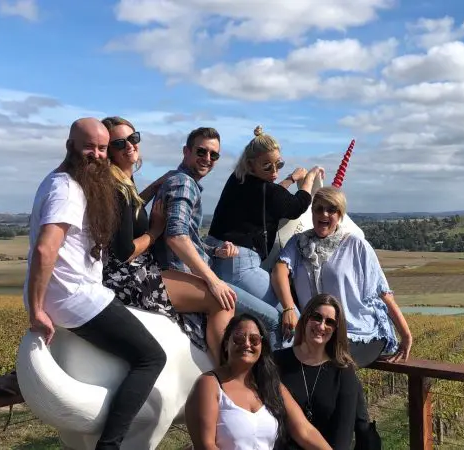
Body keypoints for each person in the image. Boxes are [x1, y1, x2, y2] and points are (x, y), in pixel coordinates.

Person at [23, 117, 167, 450]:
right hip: (75, 297)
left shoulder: (61, 180)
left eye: (103, 148)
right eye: (90, 147)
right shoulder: (68, 190)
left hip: (73, 292)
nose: (98, 155)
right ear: (70, 145)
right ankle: (110, 445)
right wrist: (36, 310)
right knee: (151, 358)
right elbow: (45, 249)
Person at [271, 186, 413, 448]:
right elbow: (280, 270)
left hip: (362, 332)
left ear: (340, 215)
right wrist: (289, 307)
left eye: (332, 210)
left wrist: (405, 333)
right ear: (312, 212)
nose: (324, 214)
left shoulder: (356, 245)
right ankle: (364, 436)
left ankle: (346, 438)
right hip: (321, 332)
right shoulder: (299, 244)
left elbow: (383, 292)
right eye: (319, 208)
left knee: (338, 360)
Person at [100, 116, 234, 364]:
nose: (129, 145)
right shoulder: (119, 186)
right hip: (126, 274)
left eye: (133, 138)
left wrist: (156, 184)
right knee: (222, 302)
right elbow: (130, 249)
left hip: (136, 267)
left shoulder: (123, 181)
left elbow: (130, 210)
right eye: (119, 143)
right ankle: (224, 374)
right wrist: (154, 232)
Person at [151, 127, 281, 348]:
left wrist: (214, 251)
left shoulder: (177, 179)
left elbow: (186, 237)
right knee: (274, 320)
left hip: (179, 272)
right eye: (201, 152)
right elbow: (177, 236)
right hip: (184, 276)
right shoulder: (184, 184)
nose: (207, 159)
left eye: (214, 155)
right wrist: (214, 281)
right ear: (186, 151)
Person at [207, 125, 324, 344]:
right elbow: (296, 205)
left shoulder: (237, 179)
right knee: (292, 322)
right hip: (241, 266)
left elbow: (271, 193)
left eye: (279, 164)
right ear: (251, 164)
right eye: (267, 166)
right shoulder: (265, 190)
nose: (274, 172)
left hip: (216, 259)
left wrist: (290, 179)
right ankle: (281, 364)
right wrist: (308, 179)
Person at [185, 313, 332, 450]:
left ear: (262, 346)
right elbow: (206, 445)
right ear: (226, 344)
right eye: (238, 338)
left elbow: (305, 431)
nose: (246, 344)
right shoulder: (209, 384)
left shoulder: (271, 385)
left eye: (254, 340)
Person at [273, 294, 360, 449]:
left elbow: (343, 435)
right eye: (316, 317)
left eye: (330, 322)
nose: (321, 326)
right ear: (306, 319)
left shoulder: (343, 372)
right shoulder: (276, 361)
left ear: (336, 329)